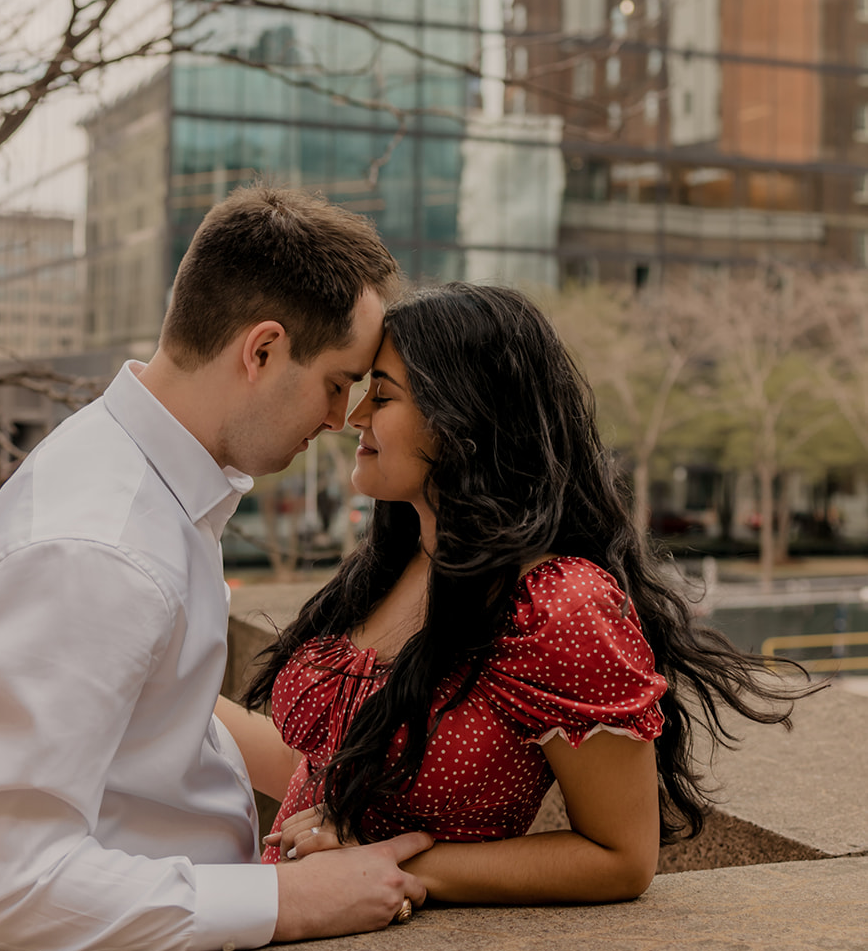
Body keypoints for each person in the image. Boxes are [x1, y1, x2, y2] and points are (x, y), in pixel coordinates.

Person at [0, 185, 432, 951]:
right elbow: (11, 885)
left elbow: (147, 717)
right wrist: (290, 900)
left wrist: (328, 780)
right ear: (260, 351)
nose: (341, 420)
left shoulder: (146, 484)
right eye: (337, 382)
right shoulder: (95, 549)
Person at [222, 282, 808, 905]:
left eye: (383, 396)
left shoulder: (562, 607)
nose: (355, 417)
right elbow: (313, 768)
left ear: (461, 421)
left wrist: (397, 869)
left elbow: (621, 857)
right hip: (279, 919)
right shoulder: (396, 564)